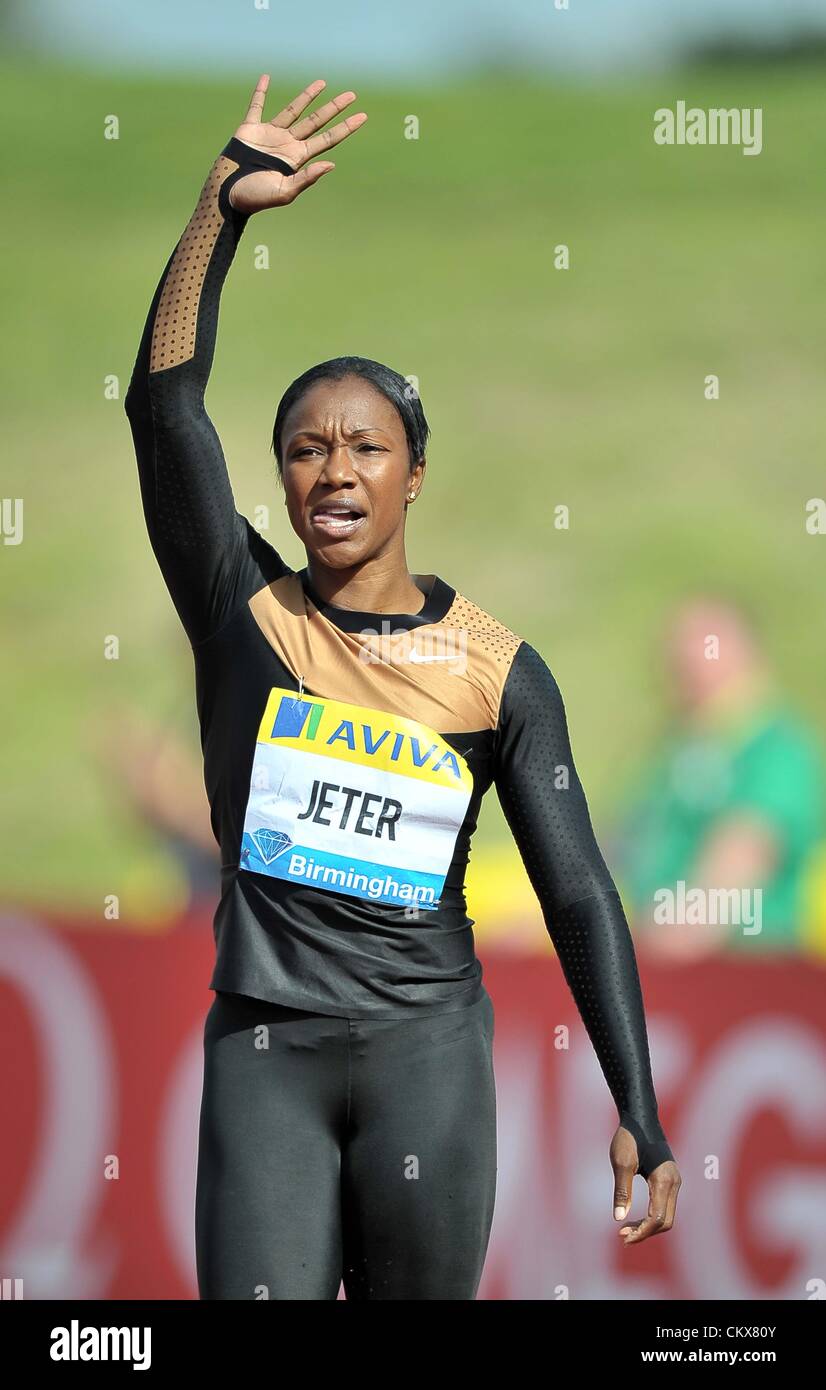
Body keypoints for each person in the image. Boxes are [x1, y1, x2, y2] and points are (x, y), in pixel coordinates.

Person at [124, 74, 680, 1300]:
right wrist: (221, 208)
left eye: (364, 444)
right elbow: (162, 403)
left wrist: (636, 1100)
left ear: (414, 474)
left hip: (428, 1059)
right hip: (265, 1052)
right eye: (305, 448)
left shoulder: (496, 668)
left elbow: (579, 891)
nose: (333, 469)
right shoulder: (245, 611)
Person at [611, 597, 826, 959]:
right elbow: (613, 851)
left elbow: (716, 898)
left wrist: (609, 950)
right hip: (665, 975)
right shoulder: (677, 754)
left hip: (741, 981)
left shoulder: (776, 755)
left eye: (705, 660)